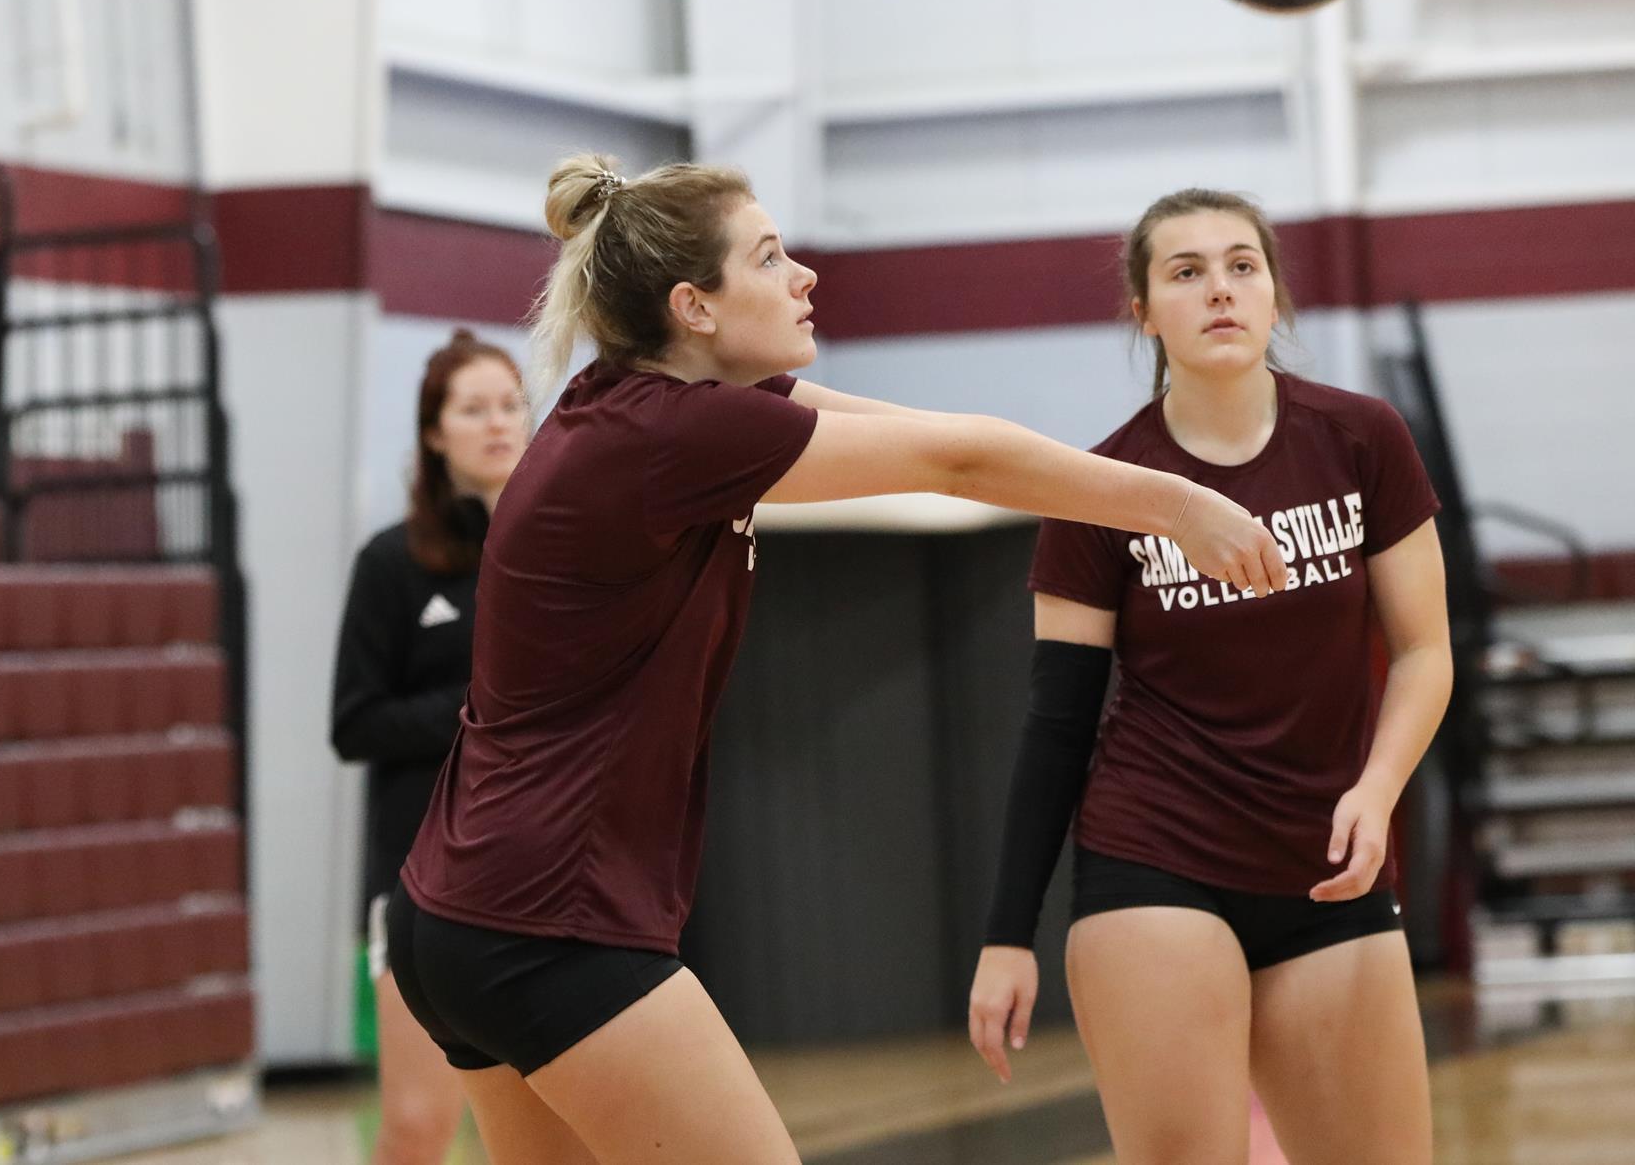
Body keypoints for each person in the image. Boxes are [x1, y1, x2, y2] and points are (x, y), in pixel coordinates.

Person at [386, 154, 1292, 1165]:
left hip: (459, 915)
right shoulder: (670, 434)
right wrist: (1174, 502)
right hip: (544, 919)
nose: (803, 275)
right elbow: (956, 461)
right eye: (769, 257)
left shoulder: (640, 405)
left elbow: (936, 437)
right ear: (692, 305)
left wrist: (1119, 483)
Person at [967, 188, 1452, 1165]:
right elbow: (1056, 720)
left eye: (1241, 265)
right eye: (1183, 273)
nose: (1218, 290)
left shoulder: (1361, 441)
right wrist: (1004, 933)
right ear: (1142, 312)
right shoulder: (1100, 487)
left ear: (1274, 295)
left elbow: (1422, 650)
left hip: (1323, 858)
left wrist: (1376, 786)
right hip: (1155, 856)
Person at [332, 329, 530, 1165]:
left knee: (538, 1125)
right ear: (434, 432)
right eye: (473, 408)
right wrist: (479, 708)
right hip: (422, 876)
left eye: (512, 404)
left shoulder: (557, 547)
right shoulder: (392, 564)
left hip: (535, 871)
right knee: (419, 1125)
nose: (497, 423)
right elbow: (355, 722)